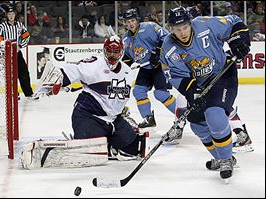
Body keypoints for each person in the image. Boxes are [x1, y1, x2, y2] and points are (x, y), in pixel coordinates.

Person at [21, 35, 150, 169]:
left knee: (132, 149)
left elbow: (119, 98)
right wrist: (58, 79)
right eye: (109, 51)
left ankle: (109, 146)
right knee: (88, 150)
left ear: (121, 52)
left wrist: (120, 111)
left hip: (112, 120)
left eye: (116, 52)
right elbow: (73, 70)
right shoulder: (94, 64)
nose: (112, 55)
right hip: (88, 116)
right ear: (104, 51)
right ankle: (91, 142)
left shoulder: (127, 72)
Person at [160, 6, 251, 182]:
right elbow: (175, 76)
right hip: (200, 86)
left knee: (214, 115)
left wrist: (239, 40)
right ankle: (221, 156)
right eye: (178, 29)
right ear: (170, 29)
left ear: (190, 23)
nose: (183, 32)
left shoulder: (205, 24)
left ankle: (226, 160)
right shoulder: (169, 48)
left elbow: (234, 22)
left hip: (223, 74)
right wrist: (191, 91)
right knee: (196, 123)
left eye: (185, 27)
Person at [121, 8, 185, 141]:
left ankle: (182, 116)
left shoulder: (150, 27)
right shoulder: (126, 39)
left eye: (133, 20)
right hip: (146, 68)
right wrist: (121, 68)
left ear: (137, 20)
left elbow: (168, 38)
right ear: (125, 23)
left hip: (160, 65)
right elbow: (128, 57)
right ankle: (148, 119)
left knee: (160, 94)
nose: (131, 23)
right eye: (128, 21)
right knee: (138, 91)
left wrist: (158, 52)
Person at [0, 5, 37, 100]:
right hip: (7, 54)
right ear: (7, 15)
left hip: (17, 53)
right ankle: (14, 94)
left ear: (15, 14)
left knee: (24, 73)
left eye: (12, 14)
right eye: (9, 14)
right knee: (11, 75)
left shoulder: (19, 25)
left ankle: (28, 93)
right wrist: (2, 51)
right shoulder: (3, 26)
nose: (11, 16)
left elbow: (26, 36)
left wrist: (20, 46)